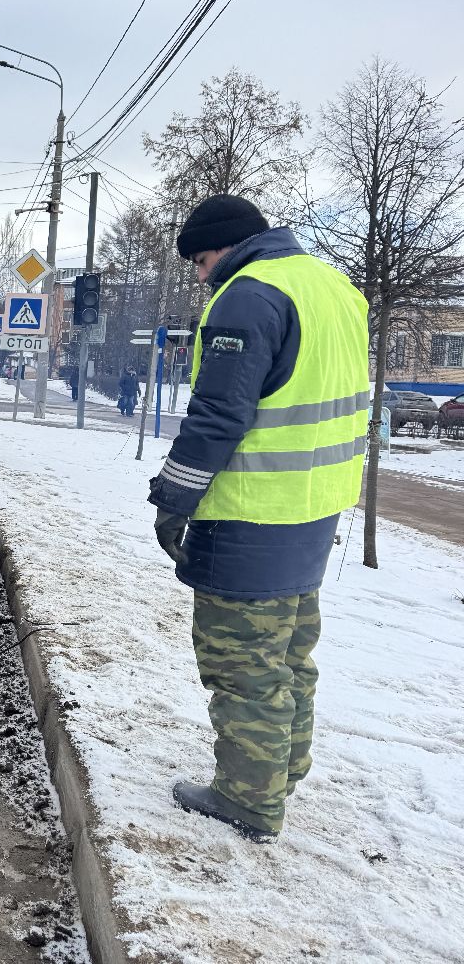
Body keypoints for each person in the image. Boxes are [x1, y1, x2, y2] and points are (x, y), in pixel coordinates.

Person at [147, 194, 368, 843]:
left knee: (242, 660)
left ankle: (248, 797)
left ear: (226, 246)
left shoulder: (248, 295)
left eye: (201, 259)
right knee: (292, 651)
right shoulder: (333, 286)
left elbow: (218, 417)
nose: (199, 275)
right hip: (314, 508)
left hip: (252, 513)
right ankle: (283, 766)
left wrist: (173, 499)